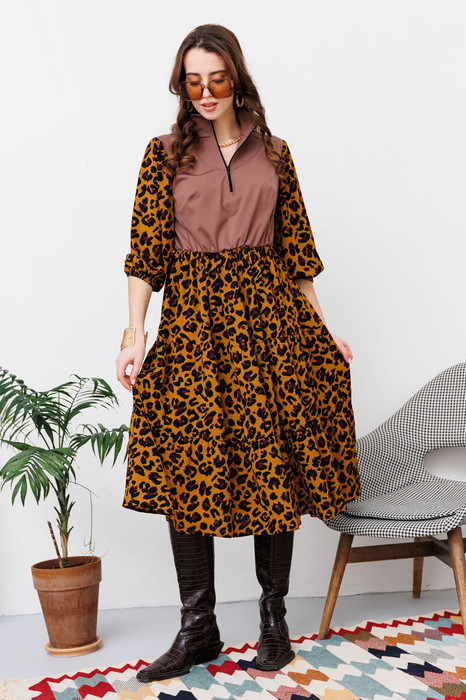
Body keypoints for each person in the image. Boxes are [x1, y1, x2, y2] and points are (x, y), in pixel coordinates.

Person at [115, 23, 361, 683]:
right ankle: (198, 627)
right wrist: (135, 334)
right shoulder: (162, 156)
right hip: (193, 326)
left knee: (271, 466)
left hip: (270, 325)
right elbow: (144, 256)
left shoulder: (275, 154)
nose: (205, 93)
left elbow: (297, 255)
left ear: (237, 80)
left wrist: (323, 329)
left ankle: (273, 621)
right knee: (185, 464)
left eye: (216, 80)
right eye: (192, 81)